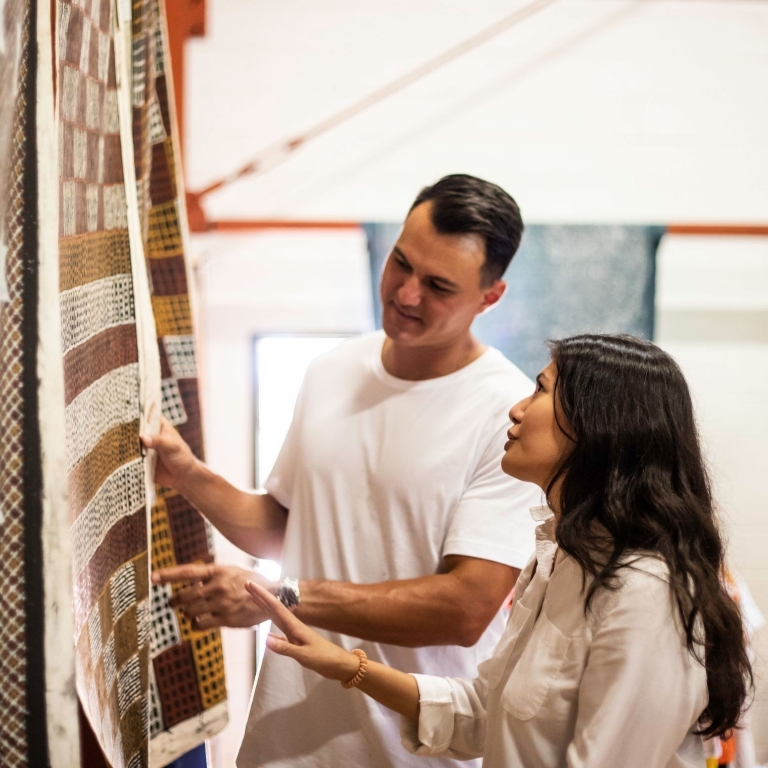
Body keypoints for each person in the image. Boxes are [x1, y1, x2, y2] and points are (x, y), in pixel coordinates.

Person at [142, 174, 543, 767]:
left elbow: (465, 609)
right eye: (400, 264)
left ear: (491, 297)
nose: (406, 294)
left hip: (413, 749)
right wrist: (188, 474)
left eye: (437, 286)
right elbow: (284, 527)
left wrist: (278, 596)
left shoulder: (506, 412)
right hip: (285, 737)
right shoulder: (332, 369)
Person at [244, 334, 754, 768]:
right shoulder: (557, 559)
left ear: (598, 426)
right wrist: (347, 666)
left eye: (539, 390)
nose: (517, 407)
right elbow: (486, 711)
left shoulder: (647, 591)